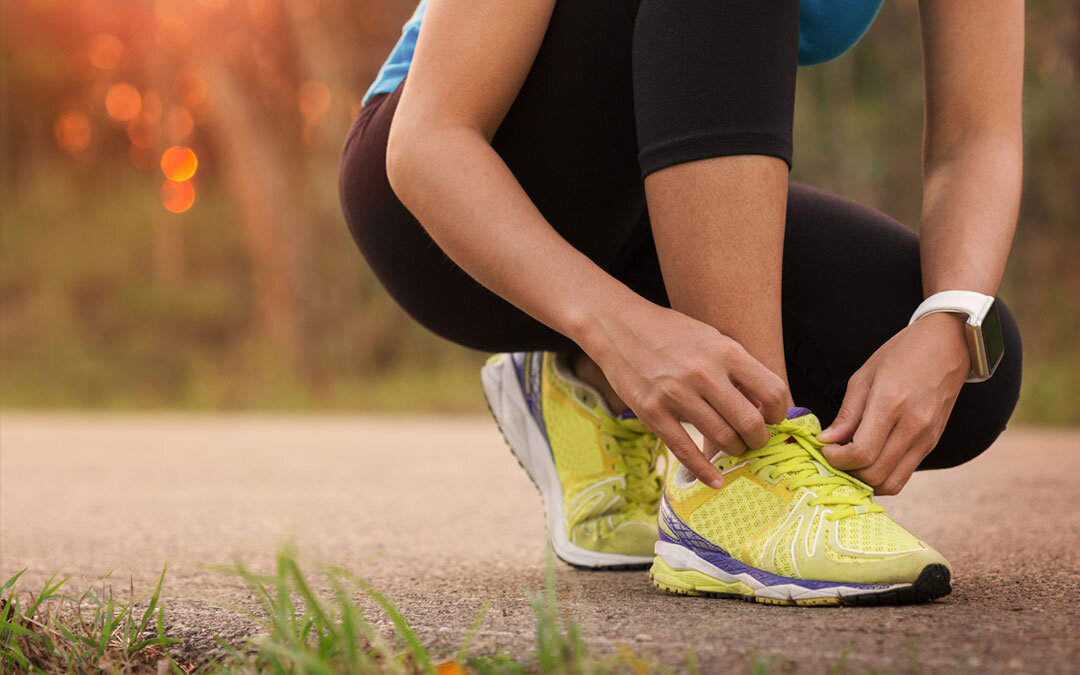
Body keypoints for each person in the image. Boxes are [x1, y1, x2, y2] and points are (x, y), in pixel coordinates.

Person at [339, 0, 1023, 606]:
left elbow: (977, 138)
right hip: (449, 201)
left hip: (646, 199)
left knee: (973, 381)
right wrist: (617, 329)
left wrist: (950, 320)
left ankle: (585, 392)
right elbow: (429, 143)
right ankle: (744, 475)